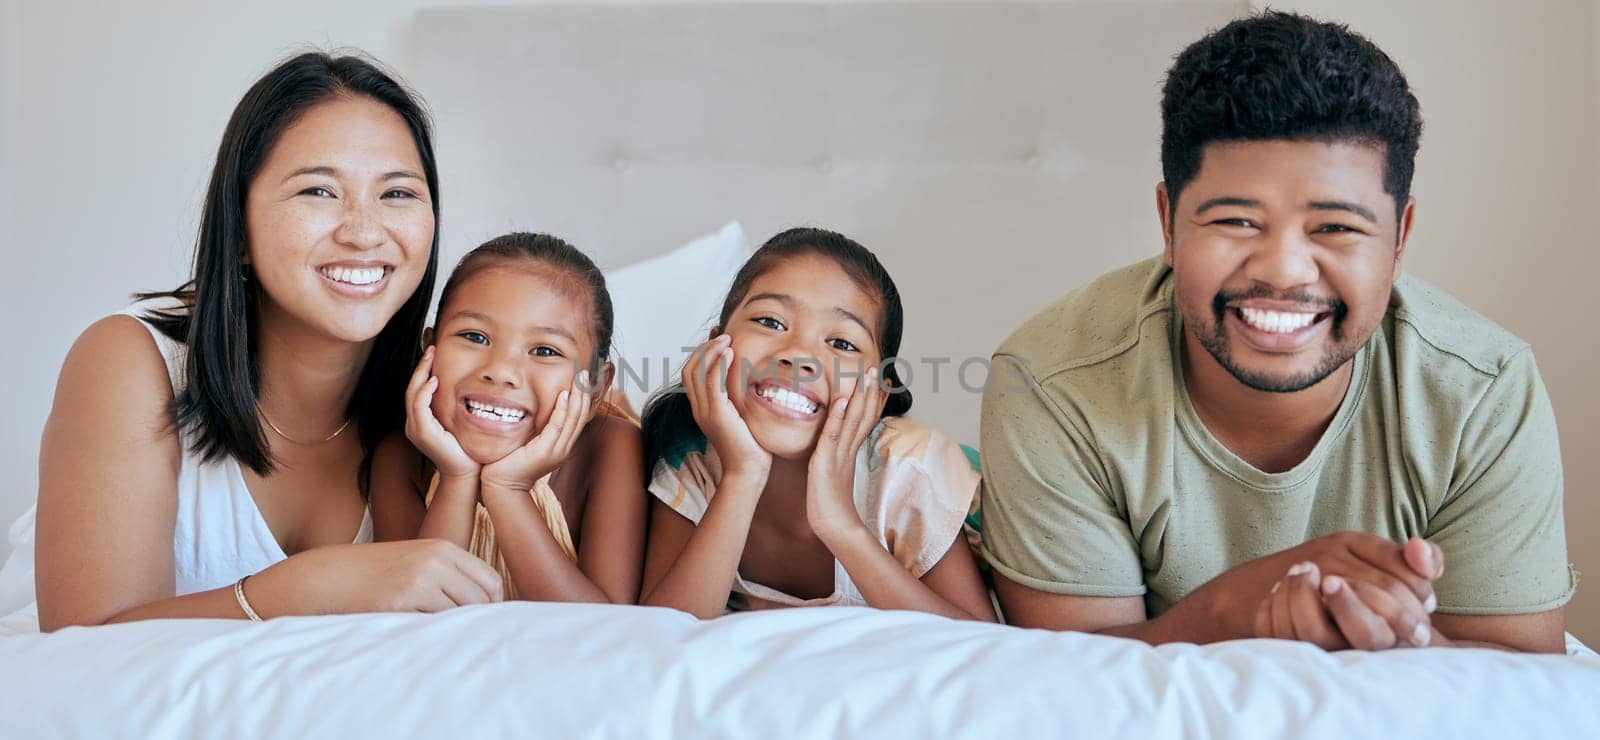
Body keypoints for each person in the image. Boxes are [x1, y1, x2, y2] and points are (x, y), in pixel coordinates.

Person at [979, 12, 1574, 652]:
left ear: (1399, 239)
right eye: (1236, 221)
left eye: (1336, 228)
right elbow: (1071, 678)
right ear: (1168, 223)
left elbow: (1518, 678)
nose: (1284, 271)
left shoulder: (1482, 389)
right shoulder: (1050, 383)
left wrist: (1372, 635)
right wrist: (1240, 607)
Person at [26, 51, 503, 631]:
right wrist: (310, 585)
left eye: (398, 194)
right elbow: (85, 643)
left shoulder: (447, 392)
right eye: (318, 192)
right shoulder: (132, 361)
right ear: (240, 226)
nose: (363, 232)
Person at [640, 228, 996, 621]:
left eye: (842, 344)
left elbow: (982, 644)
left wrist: (840, 524)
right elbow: (662, 631)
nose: (798, 355)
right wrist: (742, 476)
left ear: (878, 393)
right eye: (770, 322)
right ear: (714, 347)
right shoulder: (690, 457)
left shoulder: (909, 474)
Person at [371, 232, 646, 604]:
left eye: (545, 350)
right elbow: (420, 620)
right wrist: (456, 477)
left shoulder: (612, 447)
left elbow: (607, 628)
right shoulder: (398, 454)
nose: (501, 371)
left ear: (596, 386)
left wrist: (508, 490)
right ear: (429, 350)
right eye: (474, 337)